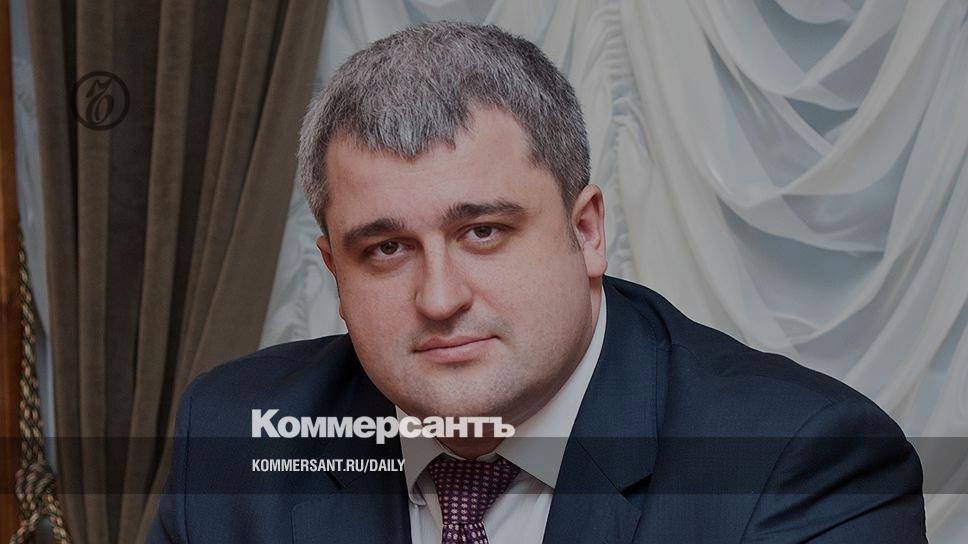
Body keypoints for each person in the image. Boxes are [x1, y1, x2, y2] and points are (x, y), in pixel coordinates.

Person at [148, 21, 925, 543]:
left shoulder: (799, 465)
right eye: (385, 249)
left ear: (587, 233)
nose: (440, 298)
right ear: (333, 272)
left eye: (482, 232)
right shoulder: (236, 437)